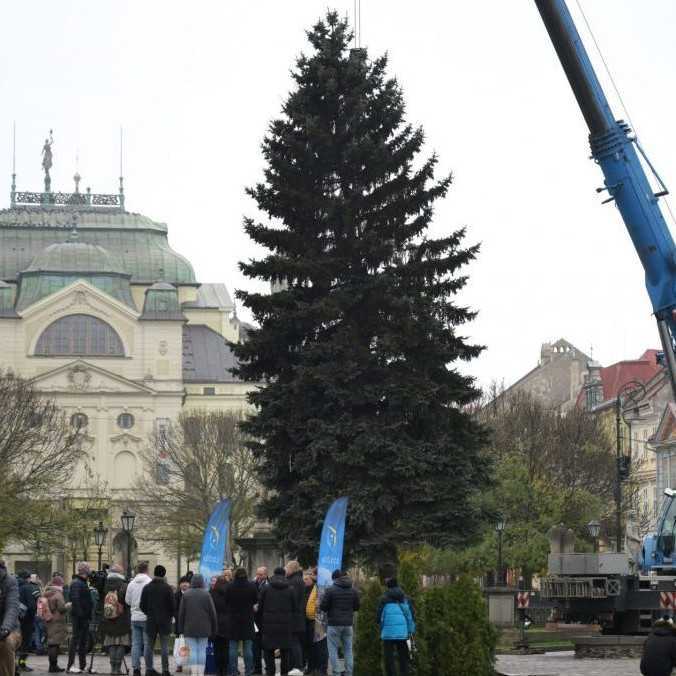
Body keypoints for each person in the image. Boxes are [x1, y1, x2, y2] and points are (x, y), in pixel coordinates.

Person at [319, 570, 360, 676]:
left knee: (333, 649)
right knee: (348, 650)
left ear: (335, 579)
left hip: (334, 624)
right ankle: (349, 673)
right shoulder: (353, 590)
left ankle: (336, 673)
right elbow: (357, 607)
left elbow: (323, 607)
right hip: (348, 624)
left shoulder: (330, 590)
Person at [258, 567, 297, 676]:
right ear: (284, 575)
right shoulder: (291, 589)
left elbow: (260, 607)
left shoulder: (266, 588)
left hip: (269, 625)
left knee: (268, 650)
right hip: (286, 625)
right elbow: (295, 607)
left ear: (273, 574)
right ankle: (284, 673)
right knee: (285, 651)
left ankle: (270, 672)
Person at [176, 575, 217, 676]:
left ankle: (194, 673)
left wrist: (180, 628)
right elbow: (213, 613)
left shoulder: (186, 595)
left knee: (193, 650)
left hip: (189, 628)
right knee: (202, 650)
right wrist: (214, 628)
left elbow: (181, 613)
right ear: (202, 582)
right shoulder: (206, 594)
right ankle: (201, 673)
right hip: (205, 628)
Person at [140, 565, 175, 676]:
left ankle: (149, 669)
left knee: (149, 646)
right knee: (164, 646)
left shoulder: (147, 587)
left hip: (151, 620)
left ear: (154, 573)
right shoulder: (168, 588)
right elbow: (173, 606)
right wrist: (169, 615)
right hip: (165, 621)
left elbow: (142, 605)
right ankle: (165, 670)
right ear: (164, 574)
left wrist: (149, 613)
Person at [377, 578, 415, 676]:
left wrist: (381, 628)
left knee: (389, 660)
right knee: (403, 659)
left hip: (388, 634)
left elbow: (379, 617)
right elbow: (410, 616)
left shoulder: (383, 599)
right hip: (402, 633)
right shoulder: (405, 598)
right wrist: (411, 630)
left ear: (387, 586)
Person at [224, 568, 258, 676]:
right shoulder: (252, 586)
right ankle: (248, 671)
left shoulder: (229, 586)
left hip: (233, 620)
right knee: (248, 648)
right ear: (246, 575)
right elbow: (255, 600)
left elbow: (226, 601)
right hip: (247, 620)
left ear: (235, 575)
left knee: (232, 648)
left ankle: (233, 671)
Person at [101, 565, 130, 676]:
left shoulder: (105, 585)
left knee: (112, 644)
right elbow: (127, 602)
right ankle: (117, 668)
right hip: (121, 618)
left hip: (108, 618)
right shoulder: (124, 586)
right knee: (121, 644)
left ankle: (112, 668)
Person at [124, 562, 152, 676]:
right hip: (146, 617)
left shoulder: (131, 583)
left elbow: (127, 601)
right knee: (147, 644)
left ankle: (136, 668)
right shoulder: (149, 582)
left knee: (135, 644)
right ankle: (149, 668)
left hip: (134, 617)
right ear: (147, 570)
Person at [67, 562, 93, 674]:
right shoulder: (77, 583)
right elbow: (75, 599)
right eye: (88, 569)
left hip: (83, 616)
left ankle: (82, 665)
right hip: (79, 617)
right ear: (85, 570)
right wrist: (81, 614)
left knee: (83, 641)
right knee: (75, 640)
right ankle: (70, 665)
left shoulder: (82, 582)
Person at [304, 569, 327, 676]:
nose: (311, 576)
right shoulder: (314, 586)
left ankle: (321, 669)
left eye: (312, 575)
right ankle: (312, 668)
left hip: (319, 621)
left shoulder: (322, 586)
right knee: (311, 646)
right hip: (311, 620)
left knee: (319, 647)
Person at [43, 575, 68, 673]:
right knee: (54, 644)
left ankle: (52, 665)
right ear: (59, 584)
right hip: (56, 621)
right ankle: (53, 666)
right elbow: (62, 608)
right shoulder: (58, 594)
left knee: (51, 643)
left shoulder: (46, 593)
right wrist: (68, 606)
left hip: (48, 619)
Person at [284, 561, 305, 675]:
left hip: (294, 617)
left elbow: (293, 600)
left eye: (286, 568)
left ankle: (297, 666)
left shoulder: (294, 582)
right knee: (294, 641)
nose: (285, 570)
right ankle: (294, 666)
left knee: (294, 642)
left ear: (292, 569)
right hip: (297, 616)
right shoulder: (298, 580)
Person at [0, 561, 21, 676]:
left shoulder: (9, 581)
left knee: (5, 643)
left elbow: (12, 607)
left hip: (10, 629)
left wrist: (5, 629)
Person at [17, 570, 38, 672]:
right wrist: (32, 616)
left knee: (16, 643)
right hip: (27, 620)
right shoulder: (28, 588)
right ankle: (22, 664)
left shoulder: (15, 586)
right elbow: (32, 606)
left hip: (15, 620)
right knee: (25, 644)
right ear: (28, 578)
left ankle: (14, 664)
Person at [210, 576, 230, 676]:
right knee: (226, 648)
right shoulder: (229, 594)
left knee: (217, 649)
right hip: (227, 624)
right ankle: (225, 670)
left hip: (215, 624)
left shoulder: (212, 594)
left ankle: (218, 670)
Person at [251, 567, 269, 676]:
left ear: (266, 575)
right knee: (255, 646)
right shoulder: (253, 584)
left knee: (267, 646)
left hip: (266, 620)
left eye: (261, 574)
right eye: (257, 574)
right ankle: (257, 669)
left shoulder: (270, 585)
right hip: (255, 620)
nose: (258, 576)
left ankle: (268, 668)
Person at [174, 578, 191, 674]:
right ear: (180, 585)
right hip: (179, 623)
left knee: (190, 644)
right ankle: (179, 664)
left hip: (190, 624)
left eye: (186, 582)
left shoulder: (191, 595)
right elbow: (174, 609)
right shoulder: (176, 595)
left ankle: (191, 664)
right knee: (179, 645)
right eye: (182, 583)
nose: (185, 584)